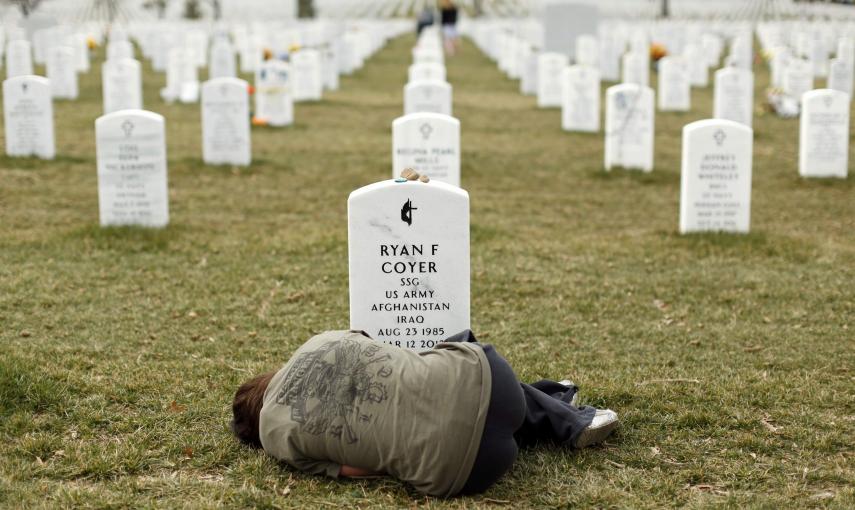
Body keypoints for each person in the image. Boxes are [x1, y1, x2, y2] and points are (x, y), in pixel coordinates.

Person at [231, 330, 619, 498]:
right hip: (495, 387)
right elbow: (386, 352)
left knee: (466, 416)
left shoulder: (276, 440)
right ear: (266, 379)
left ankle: (555, 402)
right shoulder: (316, 343)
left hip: (464, 471)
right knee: (459, 345)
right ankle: (561, 407)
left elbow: (359, 471)